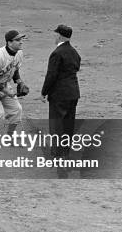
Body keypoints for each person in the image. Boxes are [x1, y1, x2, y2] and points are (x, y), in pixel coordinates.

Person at [41, 24, 81, 178]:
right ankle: (66, 154)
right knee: (68, 125)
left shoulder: (57, 53)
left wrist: (44, 92)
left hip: (59, 95)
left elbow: (51, 75)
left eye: (55, 34)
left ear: (59, 36)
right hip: (73, 93)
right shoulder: (74, 52)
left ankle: (58, 157)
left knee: (57, 125)